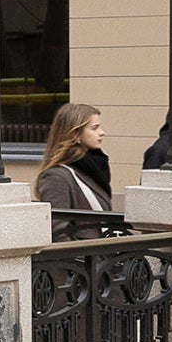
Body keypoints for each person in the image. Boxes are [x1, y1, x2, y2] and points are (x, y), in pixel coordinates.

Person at [34, 102, 117, 239]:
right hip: (86, 258)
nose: (102, 132)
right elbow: (58, 232)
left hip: (101, 255)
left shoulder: (92, 169)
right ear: (75, 134)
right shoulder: (56, 176)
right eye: (94, 128)